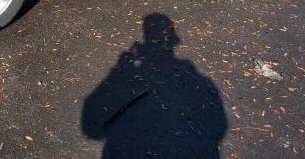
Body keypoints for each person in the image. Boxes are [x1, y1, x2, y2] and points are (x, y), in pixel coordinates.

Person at [82, 13, 227, 158]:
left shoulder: (193, 77)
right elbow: (219, 126)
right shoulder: (197, 78)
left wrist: (120, 68)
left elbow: (90, 127)